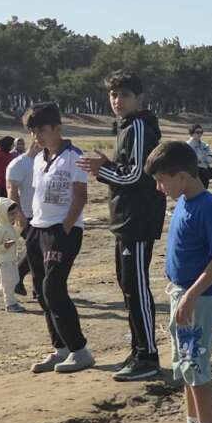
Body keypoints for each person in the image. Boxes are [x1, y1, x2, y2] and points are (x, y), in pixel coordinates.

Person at [146, 141, 212, 423]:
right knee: (185, 368)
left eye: (161, 180)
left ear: (181, 176)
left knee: (197, 369)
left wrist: (191, 295)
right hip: (183, 294)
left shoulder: (207, 206)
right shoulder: (183, 200)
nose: (159, 187)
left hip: (203, 298)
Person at [79, 69, 168, 382]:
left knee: (137, 287)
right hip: (126, 219)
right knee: (129, 287)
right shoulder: (127, 126)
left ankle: (148, 356)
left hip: (138, 219)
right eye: (113, 95)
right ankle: (139, 349)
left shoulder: (140, 126)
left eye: (124, 95)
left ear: (139, 98)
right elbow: (127, 169)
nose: (117, 101)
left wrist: (102, 171)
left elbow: (137, 176)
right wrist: (109, 166)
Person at [24, 102, 94, 374]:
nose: (37, 136)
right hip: (37, 228)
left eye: (42, 129)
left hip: (62, 230)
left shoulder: (74, 156)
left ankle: (80, 351)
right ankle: (61, 348)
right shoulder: (39, 158)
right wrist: (29, 225)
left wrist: (66, 226)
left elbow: (80, 196)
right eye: (33, 131)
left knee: (54, 288)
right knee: (41, 291)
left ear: (57, 127)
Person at [6, 138, 41, 297]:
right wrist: (19, 214)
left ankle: (32, 287)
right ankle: (22, 283)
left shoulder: (46, 161)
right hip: (26, 216)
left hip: (42, 215)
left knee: (37, 252)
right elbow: (11, 191)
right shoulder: (19, 164)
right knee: (37, 251)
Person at [0, 197, 27, 313]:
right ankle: (10, 304)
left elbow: (14, 237)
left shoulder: (9, 226)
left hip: (12, 258)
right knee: (9, 282)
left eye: (15, 214)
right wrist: (4, 247)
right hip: (3, 260)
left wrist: (19, 228)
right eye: (11, 214)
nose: (13, 216)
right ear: (2, 214)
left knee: (14, 280)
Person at [187, 125, 212, 189]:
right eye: (197, 132)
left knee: (204, 191)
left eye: (201, 132)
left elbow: (209, 155)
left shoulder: (205, 145)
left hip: (204, 172)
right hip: (193, 173)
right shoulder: (186, 145)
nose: (200, 134)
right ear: (192, 133)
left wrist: (211, 158)